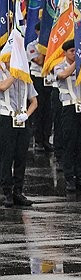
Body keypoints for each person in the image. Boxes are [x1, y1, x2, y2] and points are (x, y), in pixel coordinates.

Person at [52, 39, 81, 194]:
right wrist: (78, 62)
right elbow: (62, 75)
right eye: (72, 51)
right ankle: (69, 178)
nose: (75, 54)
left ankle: (80, 177)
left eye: (76, 51)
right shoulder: (59, 66)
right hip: (69, 108)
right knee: (69, 143)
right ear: (65, 52)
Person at [0, 55, 38, 207]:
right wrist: (14, 74)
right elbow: (2, 87)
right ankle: (6, 192)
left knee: (21, 157)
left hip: (22, 121)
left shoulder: (25, 78)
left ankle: (18, 192)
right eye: (10, 60)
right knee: (6, 157)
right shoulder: (3, 75)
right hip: (5, 119)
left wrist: (26, 115)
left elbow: (34, 101)